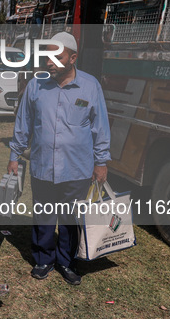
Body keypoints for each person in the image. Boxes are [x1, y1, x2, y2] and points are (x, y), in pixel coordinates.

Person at [7, 32, 111, 286]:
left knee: (69, 218)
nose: (49, 62)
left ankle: (66, 261)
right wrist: (14, 154)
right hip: (42, 165)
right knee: (43, 214)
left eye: (57, 56)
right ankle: (44, 259)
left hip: (77, 169)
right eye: (47, 56)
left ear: (73, 58)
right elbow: (24, 123)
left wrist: (101, 162)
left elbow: (101, 127)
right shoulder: (36, 85)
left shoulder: (90, 86)